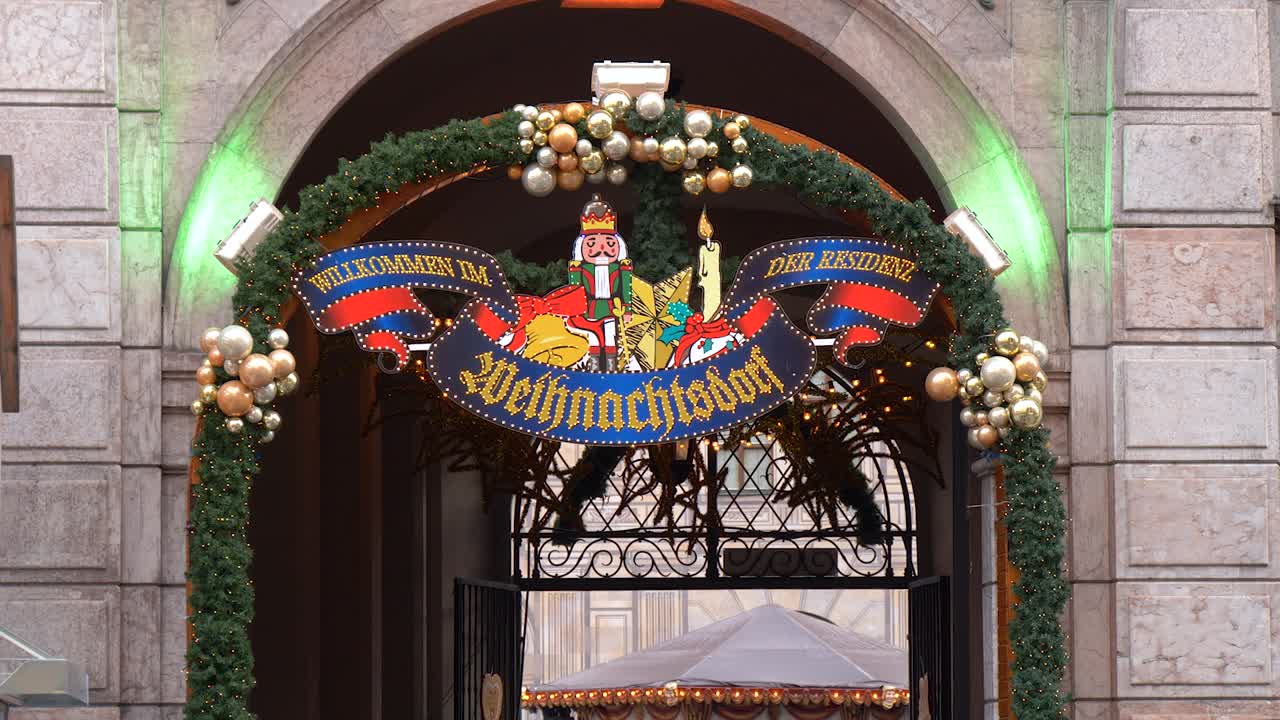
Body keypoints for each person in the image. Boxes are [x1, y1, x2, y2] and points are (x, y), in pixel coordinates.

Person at [566, 195, 632, 370]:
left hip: (612, 308)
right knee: (594, 338)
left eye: (609, 243)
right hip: (590, 308)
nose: (601, 249)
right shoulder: (581, 269)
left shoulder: (620, 269)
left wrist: (627, 308)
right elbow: (575, 290)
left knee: (611, 338)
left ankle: (611, 367)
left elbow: (626, 288)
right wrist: (575, 310)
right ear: (582, 247)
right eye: (592, 244)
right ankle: (594, 367)